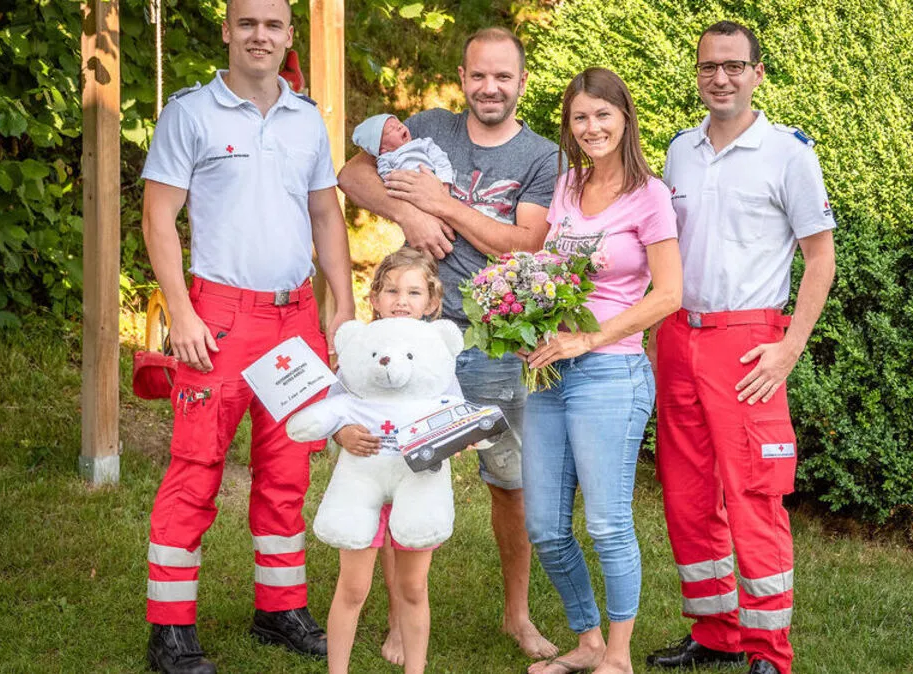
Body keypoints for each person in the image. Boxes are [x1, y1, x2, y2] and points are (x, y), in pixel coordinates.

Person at [139, 1, 355, 672]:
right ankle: (170, 628)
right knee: (196, 469)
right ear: (227, 31)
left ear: (289, 35)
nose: (261, 36)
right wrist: (180, 312)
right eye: (248, 23)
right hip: (218, 319)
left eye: (274, 25)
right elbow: (157, 215)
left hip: (294, 321)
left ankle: (280, 608)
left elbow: (325, 215)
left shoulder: (305, 120)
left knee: (288, 470)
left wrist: (340, 308)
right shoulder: (190, 113)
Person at [336, 26, 562, 660]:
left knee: (508, 483)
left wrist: (443, 203)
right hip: (412, 339)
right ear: (463, 78)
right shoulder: (431, 126)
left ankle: (516, 616)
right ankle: (397, 621)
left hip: (493, 343)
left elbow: (527, 244)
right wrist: (410, 213)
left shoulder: (542, 157)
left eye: (503, 77)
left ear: (521, 82)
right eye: (478, 75)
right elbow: (352, 175)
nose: (490, 87)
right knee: (397, 469)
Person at [645, 21, 837, 674]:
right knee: (688, 492)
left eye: (734, 65)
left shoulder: (789, 154)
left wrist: (790, 348)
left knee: (753, 493)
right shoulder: (678, 152)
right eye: (708, 67)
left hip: (751, 343)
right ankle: (716, 634)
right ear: (696, 75)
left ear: (758, 72)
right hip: (679, 337)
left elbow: (820, 260)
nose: (720, 78)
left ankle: (768, 653)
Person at [520, 68, 682, 674]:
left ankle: (618, 656)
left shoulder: (651, 195)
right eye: (580, 117)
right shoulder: (565, 186)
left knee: (609, 523)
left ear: (624, 118)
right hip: (549, 373)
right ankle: (587, 640)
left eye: (602, 115)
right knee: (544, 526)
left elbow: (668, 294)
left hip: (611, 373)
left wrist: (589, 338)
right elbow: (542, 272)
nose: (591, 127)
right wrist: (525, 326)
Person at [317, 248, 450, 674]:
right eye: (391, 290)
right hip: (363, 478)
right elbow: (335, 405)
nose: (401, 300)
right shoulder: (361, 349)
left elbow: (455, 412)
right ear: (373, 298)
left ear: (431, 302)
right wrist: (341, 433)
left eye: (413, 292)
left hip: (417, 481)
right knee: (353, 587)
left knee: (414, 587)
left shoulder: (436, 356)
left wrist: (456, 440)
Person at [351, 113, 456, 185]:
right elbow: (388, 177)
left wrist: (444, 183)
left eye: (399, 123)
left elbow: (441, 159)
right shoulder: (386, 158)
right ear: (383, 149)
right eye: (391, 129)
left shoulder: (423, 143)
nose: (400, 127)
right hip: (410, 191)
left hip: (435, 182)